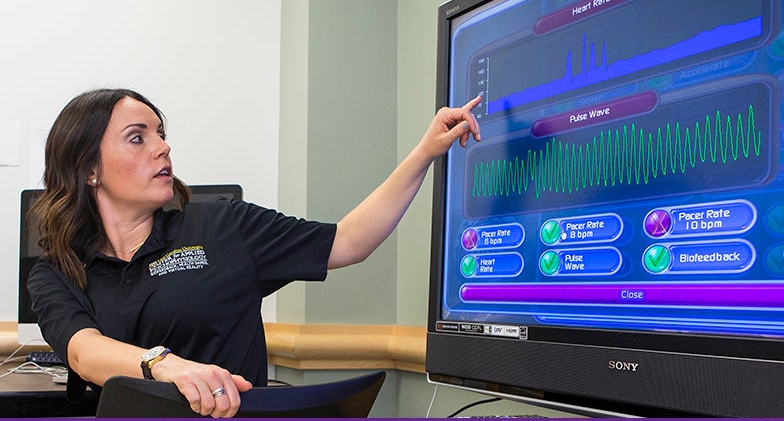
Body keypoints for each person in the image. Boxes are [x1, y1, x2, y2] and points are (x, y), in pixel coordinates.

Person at [26, 88, 481, 418]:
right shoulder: (57, 272)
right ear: (89, 170)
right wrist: (169, 367)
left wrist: (423, 153)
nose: (163, 146)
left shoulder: (224, 226)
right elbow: (84, 352)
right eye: (137, 137)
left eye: (161, 134)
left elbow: (348, 241)